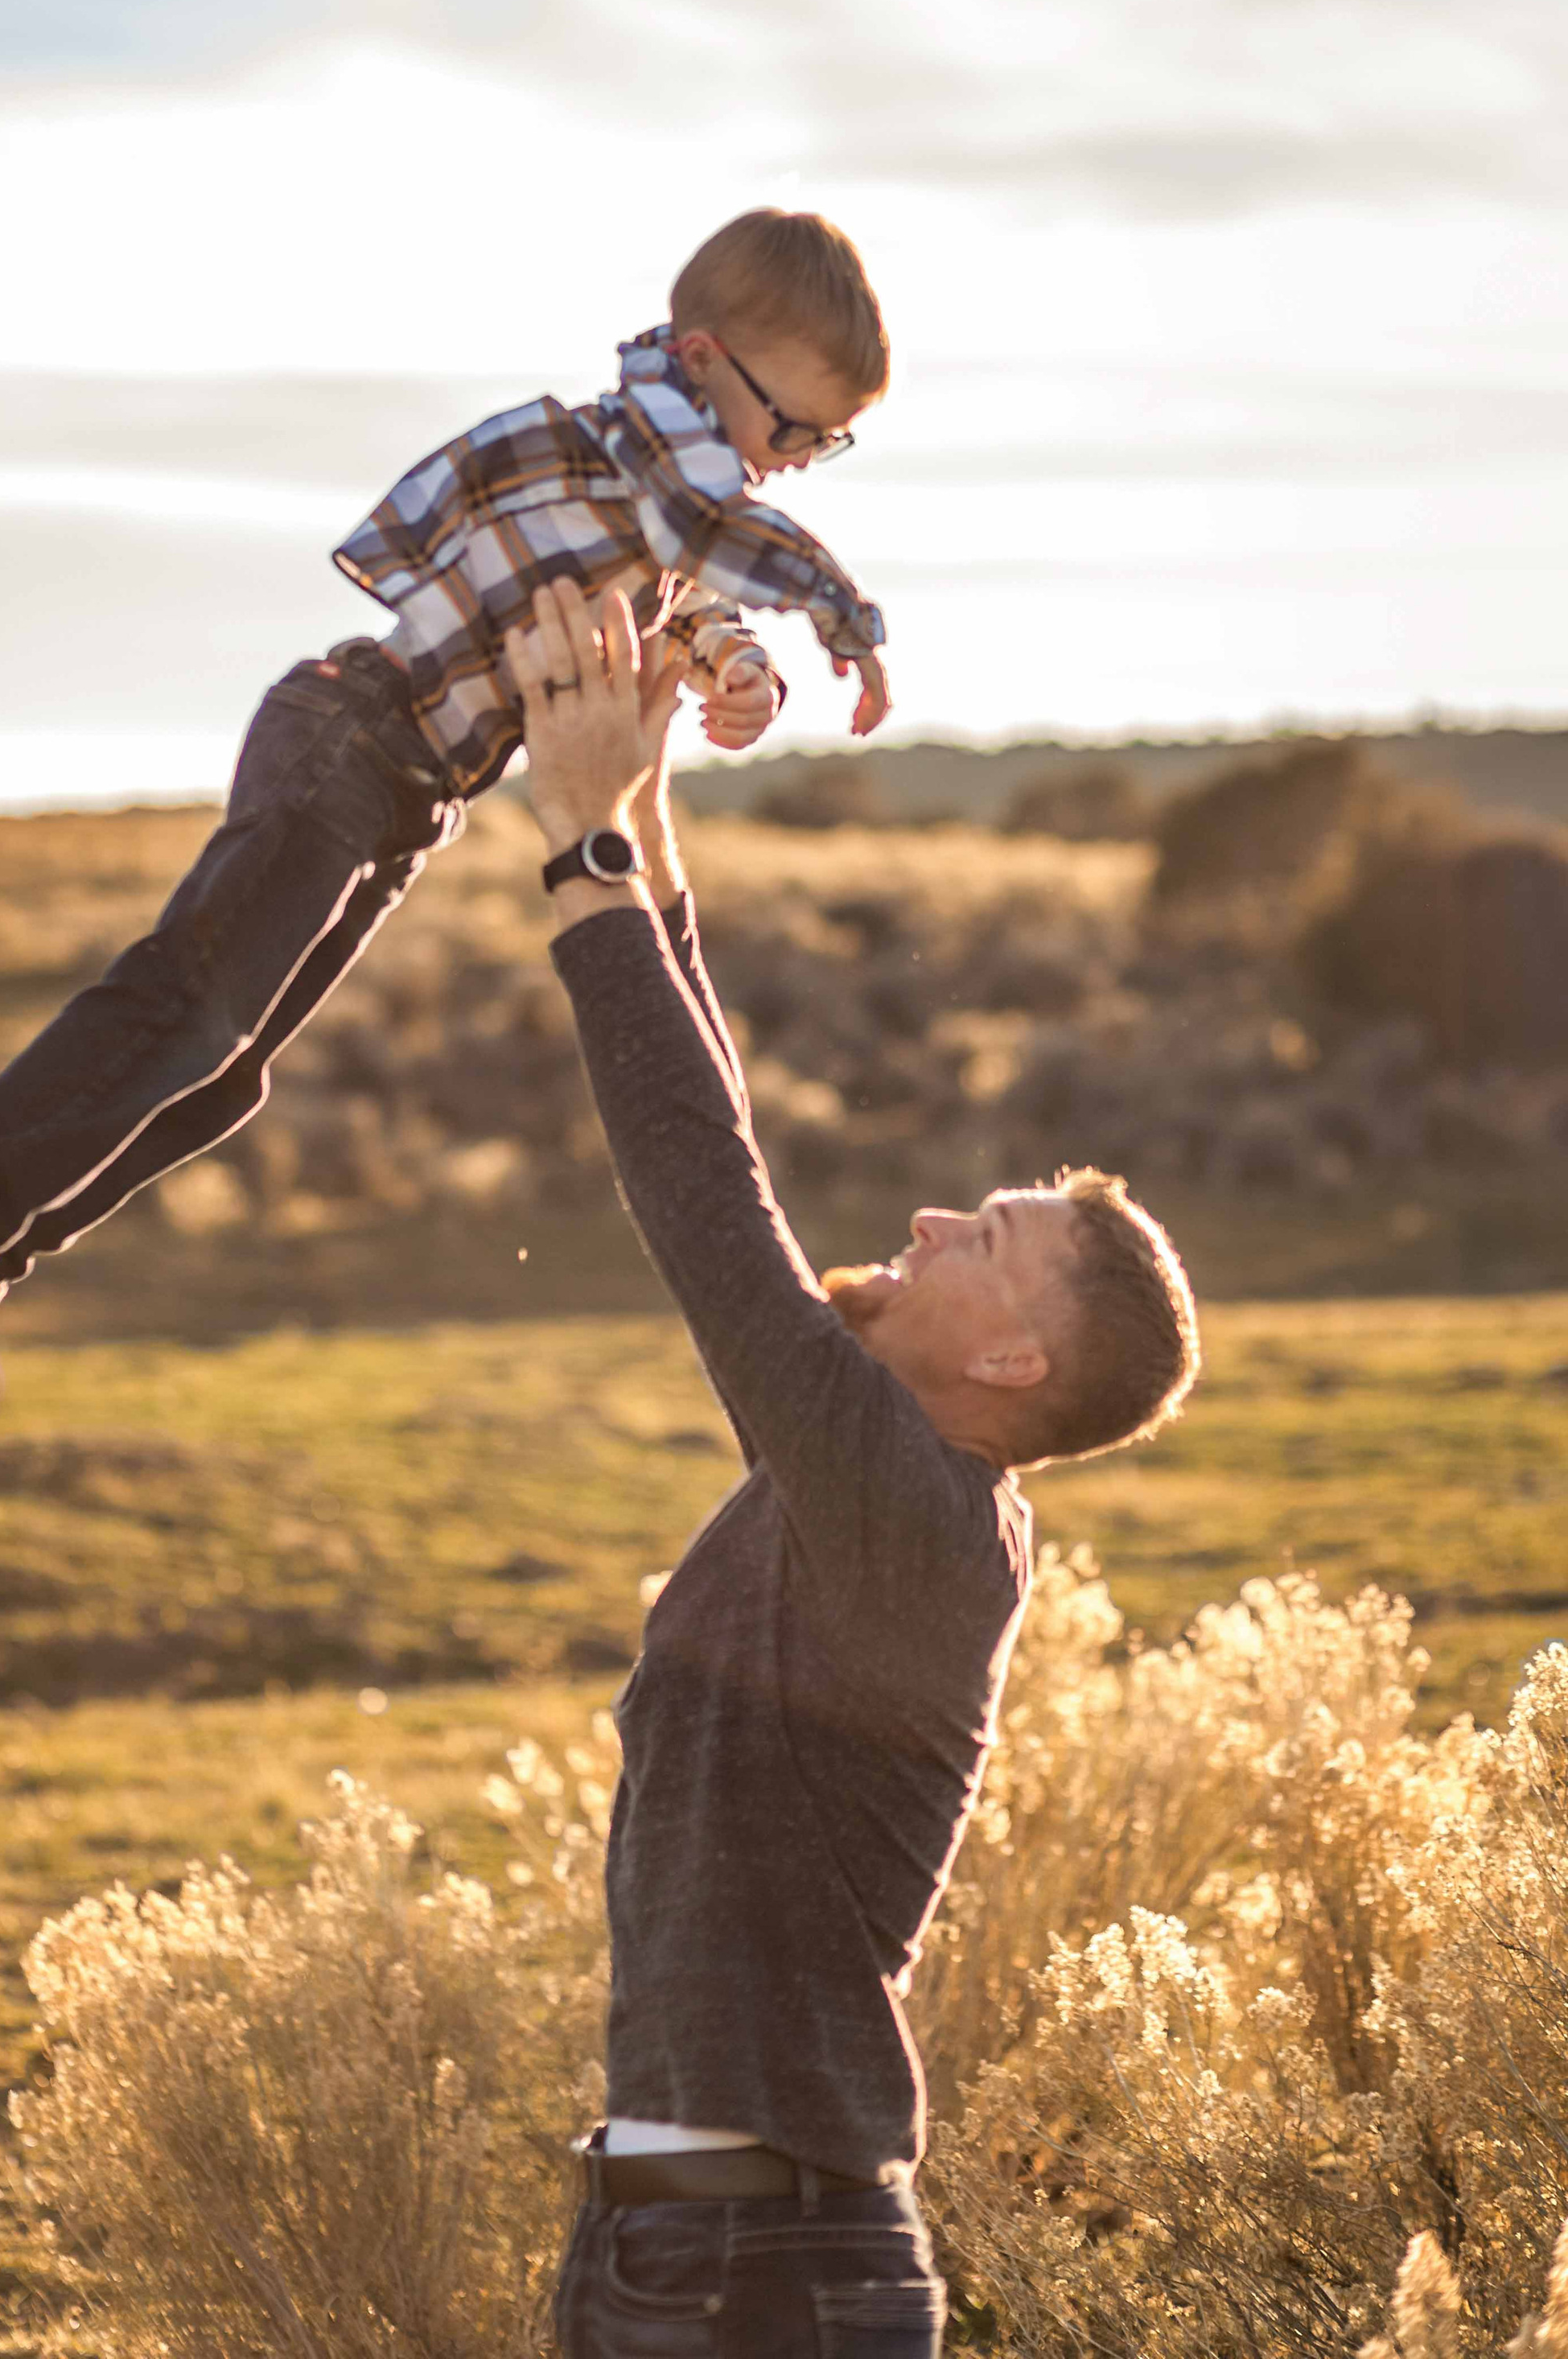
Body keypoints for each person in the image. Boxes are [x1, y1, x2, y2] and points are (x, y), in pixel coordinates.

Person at [0, 207, 895, 1427]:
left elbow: (684, 585)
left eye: (829, 448)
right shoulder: (654, 443)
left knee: (226, 1078)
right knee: (191, 1005)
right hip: (353, 739)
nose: (797, 462)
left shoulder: (652, 488)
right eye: (795, 428)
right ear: (702, 361)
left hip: (402, 794)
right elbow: (706, 533)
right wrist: (842, 616)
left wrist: (736, 668)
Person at [508, 579, 1200, 2359]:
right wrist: (646, 813)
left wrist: (577, 853)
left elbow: (704, 1210)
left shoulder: (910, 1522)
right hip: (701, 2255)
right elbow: (717, 1131)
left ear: (1008, 1363)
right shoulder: (870, 1491)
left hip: (760, 2276)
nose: (921, 1218)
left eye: (976, 1236)